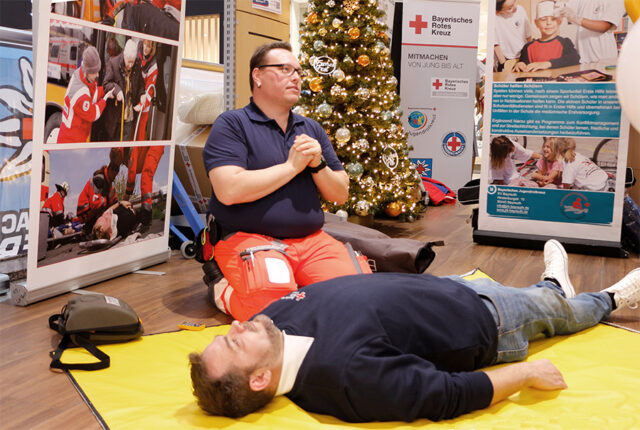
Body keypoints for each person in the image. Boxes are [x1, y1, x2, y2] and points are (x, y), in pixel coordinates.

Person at [189, 240, 640, 422]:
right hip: (488, 320)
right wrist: (526, 374)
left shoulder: (270, 326)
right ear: (259, 379)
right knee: (557, 313)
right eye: (233, 341)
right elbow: (447, 394)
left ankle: (552, 285)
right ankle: (611, 299)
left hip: (448, 288)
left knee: (546, 299)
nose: (237, 326)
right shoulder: (348, 378)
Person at [201, 41, 371, 322]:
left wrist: (318, 165)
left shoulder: (311, 128)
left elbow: (340, 194)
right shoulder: (232, 124)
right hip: (249, 238)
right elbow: (229, 190)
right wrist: (292, 166)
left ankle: (301, 289)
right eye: (284, 69)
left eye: (298, 72)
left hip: (311, 240)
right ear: (257, 76)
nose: (296, 77)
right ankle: (220, 287)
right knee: (272, 313)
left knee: (359, 299)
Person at [57, 46, 114, 143]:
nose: (97, 75)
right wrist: (104, 99)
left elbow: (92, 95)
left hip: (73, 138)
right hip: (71, 143)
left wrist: (104, 89)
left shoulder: (79, 73)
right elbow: (92, 114)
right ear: (87, 71)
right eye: (95, 72)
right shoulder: (81, 96)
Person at [514, 1, 580, 72]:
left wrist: (548, 64)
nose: (548, 23)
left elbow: (574, 58)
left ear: (559, 22)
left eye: (553, 19)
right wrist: (520, 64)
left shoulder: (565, 42)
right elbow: (524, 64)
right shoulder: (528, 47)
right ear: (536, 23)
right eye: (543, 19)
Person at [102, 39, 144, 142]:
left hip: (129, 117)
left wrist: (142, 95)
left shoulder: (137, 65)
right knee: (113, 150)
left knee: (124, 148)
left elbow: (141, 85)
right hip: (115, 119)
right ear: (124, 56)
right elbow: (106, 84)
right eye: (128, 62)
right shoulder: (113, 63)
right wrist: (117, 91)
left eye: (132, 62)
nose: (130, 65)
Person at [561, 0, 626, 64]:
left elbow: (604, 27)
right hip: (582, 58)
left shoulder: (617, 1)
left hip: (604, 59)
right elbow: (564, 8)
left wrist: (577, 19)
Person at [75, 164, 119, 232]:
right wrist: (108, 198)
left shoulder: (109, 184)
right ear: (109, 170)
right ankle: (88, 228)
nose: (114, 177)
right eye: (114, 174)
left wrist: (119, 204)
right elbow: (95, 205)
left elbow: (114, 201)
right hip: (85, 214)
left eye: (116, 175)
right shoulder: (98, 180)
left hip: (93, 213)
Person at [494, 0, 533, 71]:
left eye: (514, 1)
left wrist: (529, 57)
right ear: (498, 11)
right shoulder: (495, 18)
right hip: (507, 59)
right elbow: (496, 45)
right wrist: (504, 64)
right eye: (510, 8)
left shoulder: (520, 10)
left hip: (524, 56)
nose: (515, 7)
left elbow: (528, 36)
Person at [135, 39, 158, 141]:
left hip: (144, 105)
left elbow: (150, 91)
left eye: (148, 46)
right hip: (134, 97)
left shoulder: (153, 67)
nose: (145, 48)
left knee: (139, 135)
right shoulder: (137, 53)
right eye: (145, 44)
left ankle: (134, 157)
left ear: (152, 48)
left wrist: (141, 104)